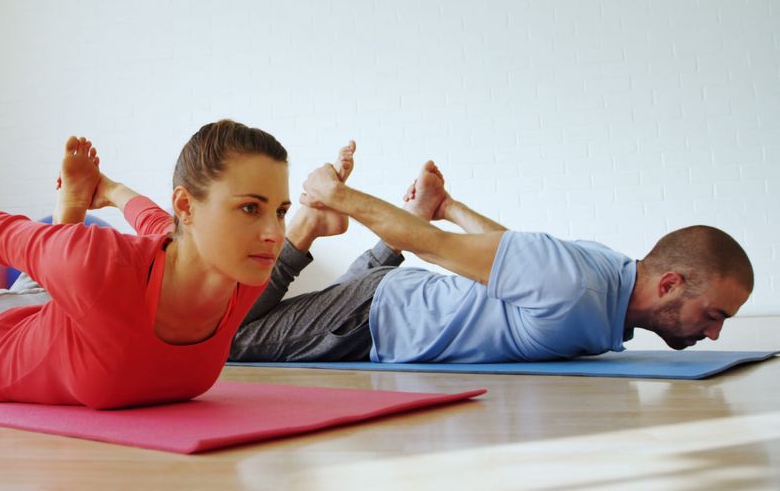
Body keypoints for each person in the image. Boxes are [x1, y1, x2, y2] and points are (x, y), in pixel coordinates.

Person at [0, 119, 291, 409]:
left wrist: (111, 189)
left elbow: (160, 223)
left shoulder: (241, 272)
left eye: (281, 211)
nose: (273, 233)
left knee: (72, 268)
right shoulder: (105, 264)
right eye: (251, 208)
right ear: (187, 206)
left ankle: (68, 214)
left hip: (63, 310)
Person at [230, 144, 754, 363]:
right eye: (712, 315)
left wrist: (450, 207)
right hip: (372, 321)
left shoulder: (608, 273)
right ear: (669, 285)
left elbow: (511, 254)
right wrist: (335, 195)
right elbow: (435, 249)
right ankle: (306, 225)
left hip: (388, 303)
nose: (713, 333)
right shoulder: (577, 287)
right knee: (230, 343)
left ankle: (341, 224)